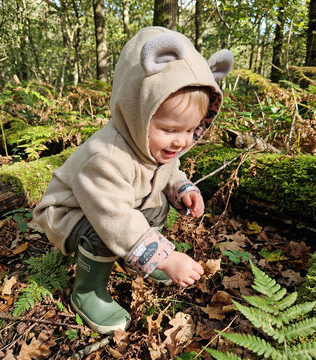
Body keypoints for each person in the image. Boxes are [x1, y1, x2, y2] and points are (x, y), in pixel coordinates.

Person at [33, 26, 233, 335]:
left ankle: (137, 256)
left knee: (156, 206)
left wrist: (182, 188)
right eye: (169, 129)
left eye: (191, 129)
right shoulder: (106, 155)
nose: (181, 141)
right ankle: (87, 290)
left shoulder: (152, 145)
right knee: (106, 231)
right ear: (136, 110)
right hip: (70, 214)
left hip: (117, 206)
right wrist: (166, 258)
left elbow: (169, 171)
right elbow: (113, 217)